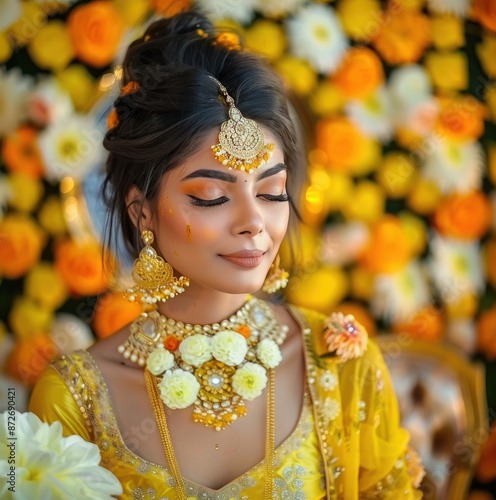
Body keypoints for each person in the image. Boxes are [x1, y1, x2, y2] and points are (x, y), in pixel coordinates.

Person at [29, 10, 424, 500]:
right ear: (142, 212)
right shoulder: (76, 400)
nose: (253, 222)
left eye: (272, 191)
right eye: (212, 197)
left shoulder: (339, 365)